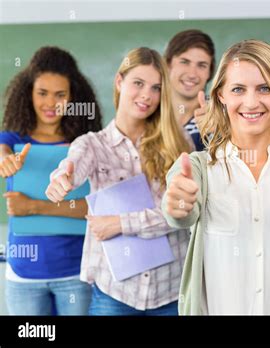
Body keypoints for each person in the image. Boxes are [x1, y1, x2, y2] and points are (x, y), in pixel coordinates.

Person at [162, 39, 270, 315]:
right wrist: (178, 206)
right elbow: (180, 212)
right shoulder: (198, 167)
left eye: (264, 88)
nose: (252, 102)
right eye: (238, 89)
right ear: (221, 95)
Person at [46, 47, 191, 315]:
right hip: (114, 294)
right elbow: (72, 166)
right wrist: (62, 178)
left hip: (170, 293)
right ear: (119, 81)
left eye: (156, 88)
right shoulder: (92, 145)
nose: (147, 95)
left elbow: (182, 215)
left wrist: (118, 224)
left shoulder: (178, 143)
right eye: (138, 83)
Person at [0, 46, 103, 315]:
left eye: (61, 95)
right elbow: (1, 154)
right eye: (42, 93)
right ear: (28, 94)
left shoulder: (86, 145)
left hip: (76, 273)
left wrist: (33, 206)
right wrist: (5, 159)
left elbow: (93, 208)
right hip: (23, 276)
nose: (50, 103)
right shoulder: (11, 140)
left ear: (73, 97)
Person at [164, 29, 215, 151]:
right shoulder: (148, 112)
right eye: (184, 62)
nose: (192, 74)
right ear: (167, 65)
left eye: (202, 65)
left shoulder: (221, 115)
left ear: (210, 72)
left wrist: (222, 132)